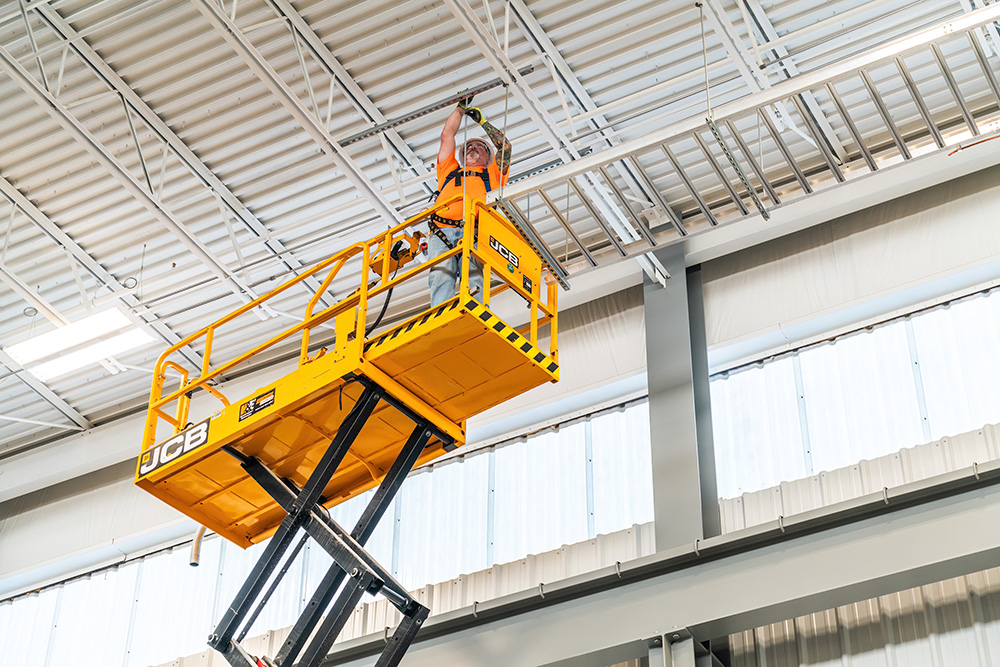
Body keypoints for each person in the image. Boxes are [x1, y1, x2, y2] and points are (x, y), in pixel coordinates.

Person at [427, 98, 512, 307]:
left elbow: (505, 147)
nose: (473, 147)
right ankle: (440, 317)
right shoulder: (449, 170)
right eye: (469, 146)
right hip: (441, 231)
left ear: (487, 156)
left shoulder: (492, 175)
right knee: (440, 276)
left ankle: (476, 313)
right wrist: (460, 109)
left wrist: (482, 122)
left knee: (475, 277)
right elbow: (447, 135)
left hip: (475, 232)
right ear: (462, 156)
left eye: (480, 146)